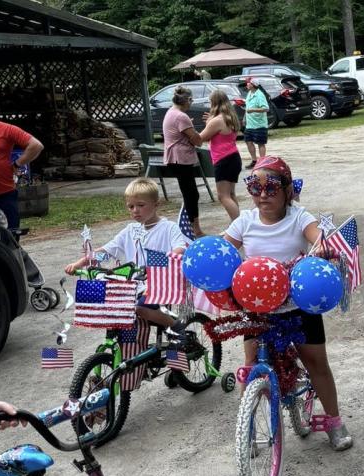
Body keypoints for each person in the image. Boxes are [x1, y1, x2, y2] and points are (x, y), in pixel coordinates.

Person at [223, 156, 353, 451]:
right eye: (254, 187)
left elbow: (317, 235)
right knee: (252, 363)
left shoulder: (298, 216)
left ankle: (333, 420)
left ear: (287, 190)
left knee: (317, 364)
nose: (263, 194)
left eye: (271, 187)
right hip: (258, 308)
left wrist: (322, 246)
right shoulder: (245, 220)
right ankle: (249, 429)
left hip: (298, 306)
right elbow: (223, 247)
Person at [64, 178, 187, 329]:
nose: (135, 210)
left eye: (141, 205)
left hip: (160, 283)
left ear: (156, 204)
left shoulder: (169, 228)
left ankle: (178, 328)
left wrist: (157, 265)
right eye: (131, 206)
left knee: (140, 308)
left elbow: (180, 249)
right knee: (109, 306)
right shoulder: (129, 231)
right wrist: (79, 263)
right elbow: (106, 253)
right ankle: (128, 348)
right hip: (133, 284)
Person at [0, 96, 44, 230]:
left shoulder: (5, 129)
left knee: (10, 233)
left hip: (3, 194)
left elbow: (36, 145)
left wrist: (17, 164)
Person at [162, 86, 205, 238]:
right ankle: (195, 230)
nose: (191, 103)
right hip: (181, 159)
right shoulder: (181, 117)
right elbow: (198, 141)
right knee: (191, 194)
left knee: (190, 193)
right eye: (191, 100)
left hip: (173, 158)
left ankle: (193, 227)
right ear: (186, 100)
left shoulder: (171, 112)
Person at [200, 89, 242, 220]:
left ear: (214, 102)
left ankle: (237, 226)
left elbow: (201, 138)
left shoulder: (216, 120)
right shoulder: (230, 117)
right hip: (234, 157)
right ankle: (238, 224)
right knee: (230, 194)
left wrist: (208, 123)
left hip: (223, 160)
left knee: (223, 196)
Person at [243, 78, 269, 170]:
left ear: (253, 84)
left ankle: (262, 162)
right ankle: (254, 161)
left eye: (248, 83)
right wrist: (244, 118)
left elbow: (266, 108)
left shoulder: (260, 95)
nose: (246, 84)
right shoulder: (249, 94)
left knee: (260, 143)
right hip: (250, 124)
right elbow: (247, 108)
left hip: (259, 124)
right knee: (248, 142)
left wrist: (253, 110)